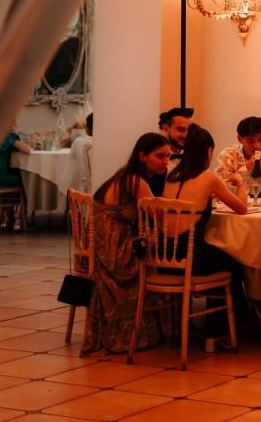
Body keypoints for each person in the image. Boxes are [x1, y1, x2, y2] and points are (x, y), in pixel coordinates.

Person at [83, 134, 174, 354]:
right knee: (165, 253)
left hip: (100, 245)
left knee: (155, 245)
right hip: (113, 250)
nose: (166, 162)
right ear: (142, 156)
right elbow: (161, 217)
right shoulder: (136, 181)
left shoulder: (126, 175)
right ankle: (170, 326)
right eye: (160, 156)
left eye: (168, 156)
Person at [162, 124, 247, 345]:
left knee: (220, 259)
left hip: (164, 255)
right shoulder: (208, 177)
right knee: (237, 263)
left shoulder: (172, 175)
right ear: (208, 151)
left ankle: (220, 326)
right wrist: (241, 184)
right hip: (191, 256)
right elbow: (242, 208)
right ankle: (220, 330)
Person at [215, 116, 261, 198]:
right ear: (239, 139)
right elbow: (220, 187)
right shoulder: (229, 155)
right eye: (250, 141)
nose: (257, 146)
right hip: (239, 204)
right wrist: (246, 169)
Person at [158, 106, 194, 176]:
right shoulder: (155, 159)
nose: (185, 135)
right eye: (180, 129)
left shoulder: (193, 158)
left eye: (189, 131)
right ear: (165, 128)